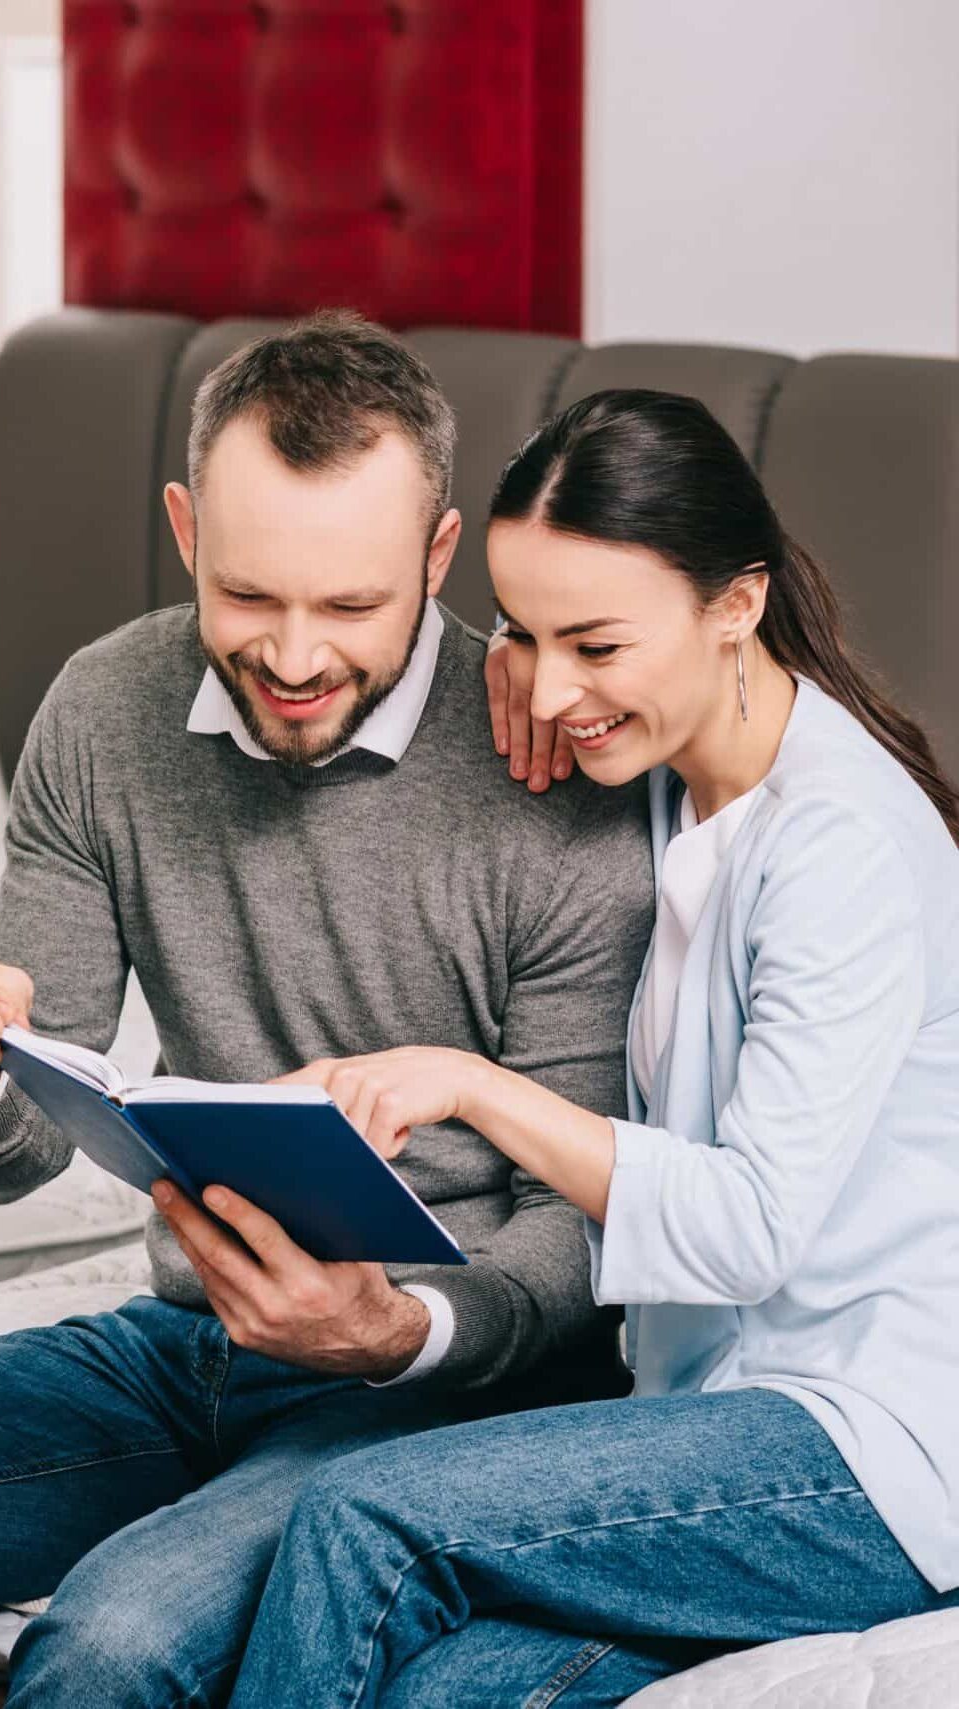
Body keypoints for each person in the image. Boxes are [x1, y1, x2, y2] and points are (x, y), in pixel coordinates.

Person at [0, 314, 654, 1708]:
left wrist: (394, 1329)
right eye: (248, 594)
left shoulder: (555, 769)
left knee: (108, 1646)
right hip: (190, 1339)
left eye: (351, 607)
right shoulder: (106, 709)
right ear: (184, 529)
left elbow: (587, 1233)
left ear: (435, 555)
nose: (294, 655)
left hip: (438, 1389)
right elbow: (17, 1153)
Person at [213, 389, 959, 1708]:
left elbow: (748, 1228)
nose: (554, 689)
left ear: (737, 603)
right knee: (435, 1690)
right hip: (713, 1411)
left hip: (877, 1447)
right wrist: (528, 662)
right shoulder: (681, 778)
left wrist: (472, 1086)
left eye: (597, 643)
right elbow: (534, 676)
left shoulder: (838, 846)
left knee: (363, 1520)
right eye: (525, 632)